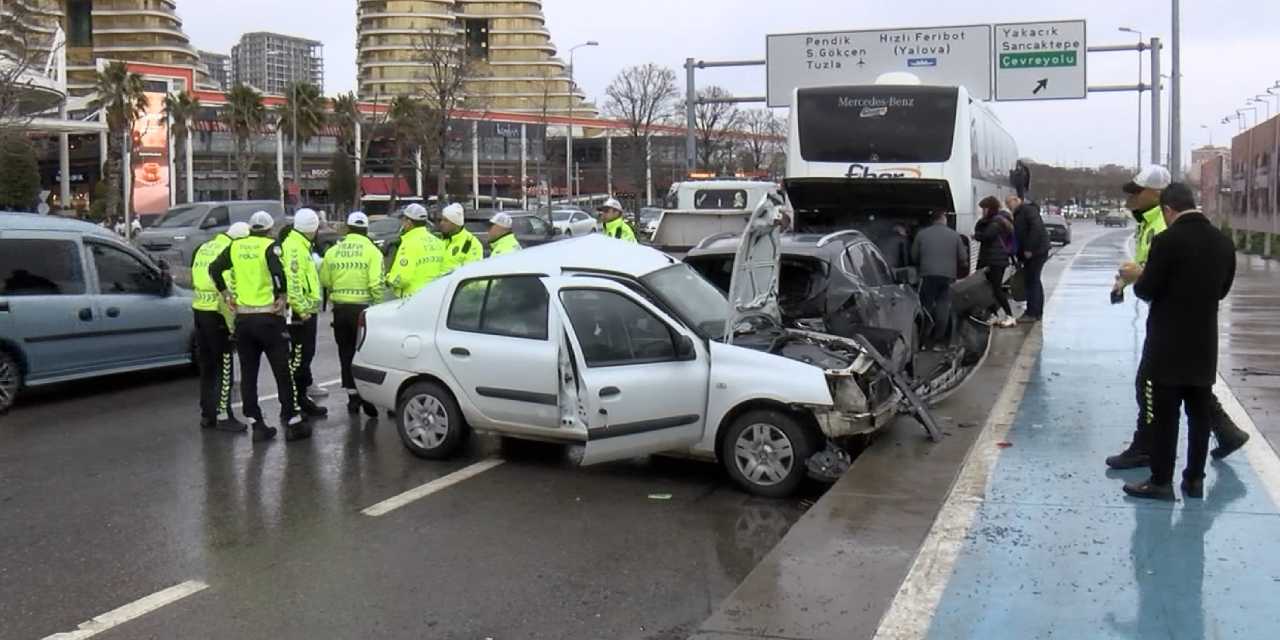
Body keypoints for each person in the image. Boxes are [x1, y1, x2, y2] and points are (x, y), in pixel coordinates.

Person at [1105, 172, 1249, 470]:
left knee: (1154, 388)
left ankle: (1150, 456)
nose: (1131, 198)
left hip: (1168, 325)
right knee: (1195, 389)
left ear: (1160, 198)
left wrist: (1138, 278)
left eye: (1138, 191)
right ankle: (1211, 452)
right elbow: (1220, 288)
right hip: (1202, 329)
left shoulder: (1164, 230)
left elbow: (1154, 280)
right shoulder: (1219, 240)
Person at [209, 211, 311, 443]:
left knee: (249, 373)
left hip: (243, 320)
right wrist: (281, 296)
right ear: (269, 228)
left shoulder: (236, 246)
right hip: (268, 318)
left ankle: (256, 422)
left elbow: (214, 269)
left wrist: (226, 295)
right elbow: (277, 274)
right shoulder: (270, 246)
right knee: (282, 370)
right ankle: (292, 420)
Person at [320, 211, 385, 417]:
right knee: (365, 353)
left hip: (340, 310)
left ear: (347, 228)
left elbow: (325, 280)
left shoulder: (333, 251)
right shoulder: (373, 251)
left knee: (345, 352)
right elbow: (376, 283)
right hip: (363, 310)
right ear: (366, 229)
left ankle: (352, 396)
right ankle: (368, 397)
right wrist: (379, 305)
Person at [190, 222, 248, 432]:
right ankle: (224, 415)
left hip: (199, 310)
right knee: (225, 366)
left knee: (207, 367)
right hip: (218, 313)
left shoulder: (205, 247)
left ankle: (208, 414)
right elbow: (228, 290)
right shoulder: (230, 252)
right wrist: (233, 324)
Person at [279, 208, 328, 419]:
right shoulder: (295, 247)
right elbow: (294, 282)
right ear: (313, 228)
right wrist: (301, 310)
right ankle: (295, 403)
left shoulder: (298, 244)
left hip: (302, 309)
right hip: (300, 311)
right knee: (299, 357)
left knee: (303, 356)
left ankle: (301, 398)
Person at [911, 210, 968, 344]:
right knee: (943, 306)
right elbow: (963, 258)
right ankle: (938, 339)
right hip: (947, 276)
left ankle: (923, 338)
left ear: (933, 220)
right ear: (943, 219)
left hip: (927, 275)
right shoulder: (954, 235)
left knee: (926, 305)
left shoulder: (921, 234)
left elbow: (914, 256)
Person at [973, 196, 1017, 328]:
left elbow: (986, 236)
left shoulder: (996, 222)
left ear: (990, 208)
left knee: (996, 289)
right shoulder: (995, 220)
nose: (982, 212)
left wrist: (975, 235)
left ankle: (1009, 315)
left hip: (995, 260)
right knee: (989, 288)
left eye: (984, 209)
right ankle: (994, 314)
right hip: (992, 259)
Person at [386, 203, 445, 298]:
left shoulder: (409, 243)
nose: (402, 223)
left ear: (409, 222)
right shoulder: (439, 242)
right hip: (435, 297)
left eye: (403, 220)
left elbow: (402, 278)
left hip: (412, 299)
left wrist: (389, 280)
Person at [1008, 195, 1050, 323]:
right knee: (1033, 280)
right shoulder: (1021, 212)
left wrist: (1029, 249)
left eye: (1009, 203)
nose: (1009, 206)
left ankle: (1033, 312)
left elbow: (1035, 229)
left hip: (1036, 252)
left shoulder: (1028, 211)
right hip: (1034, 252)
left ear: (1016, 201)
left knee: (1032, 281)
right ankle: (1036, 311)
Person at [437, 203, 482, 272]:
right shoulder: (442, 240)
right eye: (441, 220)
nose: (441, 223)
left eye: (446, 221)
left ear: (456, 223)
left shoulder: (470, 243)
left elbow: (472, 271)